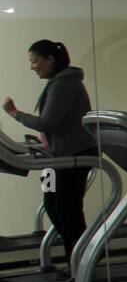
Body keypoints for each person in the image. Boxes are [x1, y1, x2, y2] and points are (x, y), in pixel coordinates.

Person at [3, 40, 98, 268]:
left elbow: (47, 122)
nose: (32, 66)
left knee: (68, 211)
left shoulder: (65, 84)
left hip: (70, 158)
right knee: (53, 206)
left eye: (35, 61)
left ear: (50, 59)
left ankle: (80, 263)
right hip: (53, 159)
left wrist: (14, 113)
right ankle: (77, 259)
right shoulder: (57, 82)